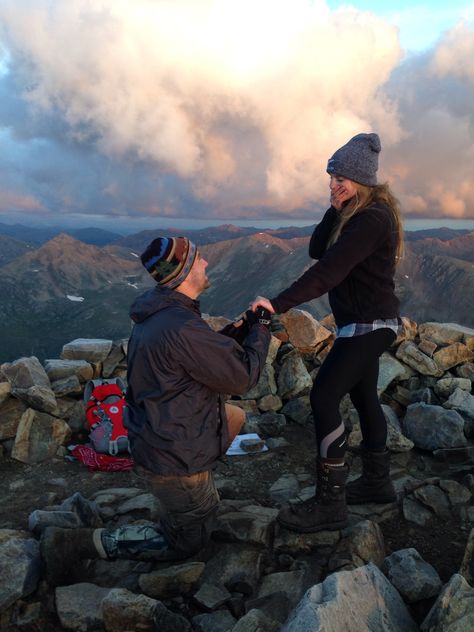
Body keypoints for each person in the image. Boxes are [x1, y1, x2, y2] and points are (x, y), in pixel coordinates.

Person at [41, 236, 271, 586]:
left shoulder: (162, 316)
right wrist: (263, 328)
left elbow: (197, 356)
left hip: (159, 435)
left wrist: (235, 333)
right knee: (190, 542)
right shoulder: (179, 325)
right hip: (174, 455)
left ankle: (183, 503)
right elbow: (242, 379)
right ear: (183, 274)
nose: (207, 263)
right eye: (199, 259)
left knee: (234, 417)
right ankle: (77, 543)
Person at [250, 133, 404, 533]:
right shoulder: (356, 213)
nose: (335, 184)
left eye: (343, 179)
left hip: (370, 325)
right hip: (367, 323)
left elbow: (328, 270)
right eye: (332, 176)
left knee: (323, 396)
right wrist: (334, 209)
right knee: (364, 396)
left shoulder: (373, 218)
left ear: (364, 180)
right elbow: (318, 249)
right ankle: (377, 482)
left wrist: (277, 304)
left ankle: (331, 504)